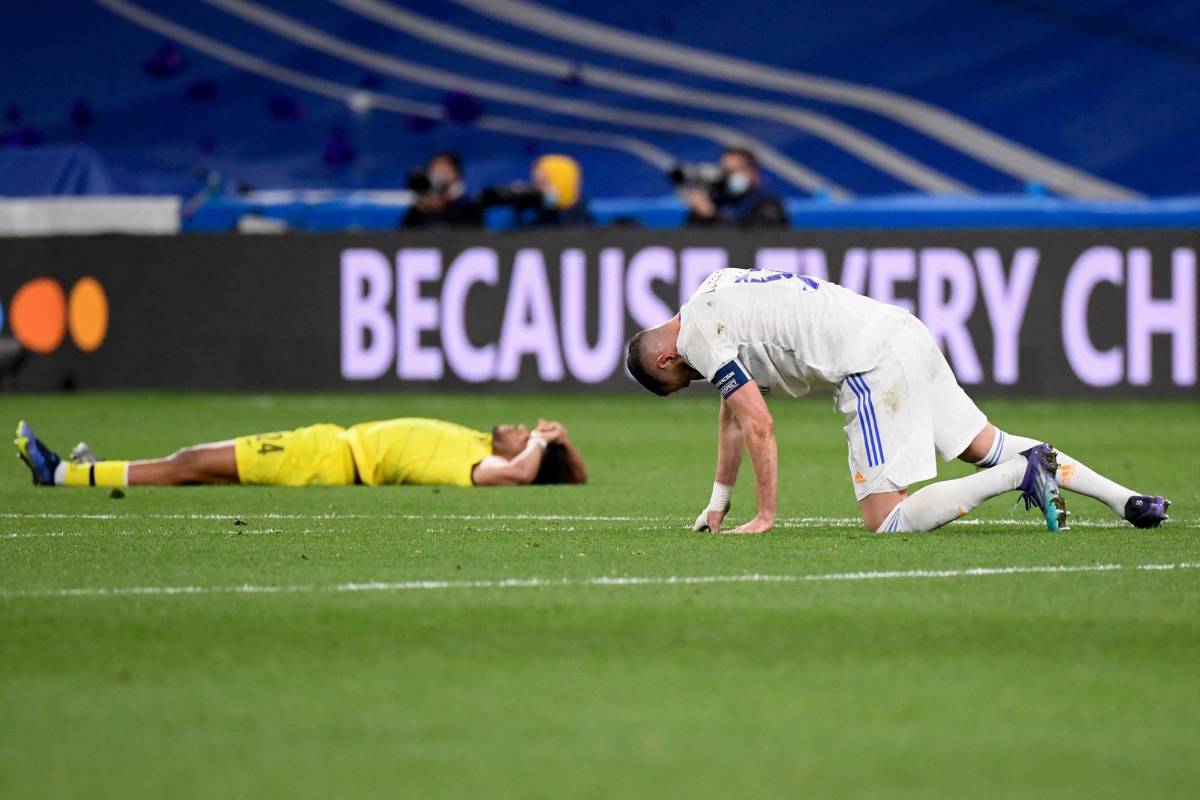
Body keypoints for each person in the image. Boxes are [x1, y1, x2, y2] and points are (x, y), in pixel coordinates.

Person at [625, 267, 1169, 534]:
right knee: (987, 445)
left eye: (685, 380)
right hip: (901, 330)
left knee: (885, 520)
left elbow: (758, 422)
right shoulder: (713, 289)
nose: (697, 380)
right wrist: (720, 502)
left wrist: (765, 515)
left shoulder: (697, 336)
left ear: (669, 359)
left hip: (870, 364)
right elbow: (733, 416)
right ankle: (1128, 501)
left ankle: (1021, 475)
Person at [15, 417, 586, 489]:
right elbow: (573, 479)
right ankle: (89, 471)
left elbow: (509, 476)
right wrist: (557, 445)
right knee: (198, 472)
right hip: (328, 448)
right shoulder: (471, 443)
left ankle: (60, 473)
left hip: (322, 458)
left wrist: (540, 444)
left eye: (522, 432)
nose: (514, 427)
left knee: (191, 459)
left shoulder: (475, 464)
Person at [683, 147, 787, 229]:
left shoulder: (767, 204)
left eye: (734, 171)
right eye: (725, 172)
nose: (729, 177)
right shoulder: (718, 200)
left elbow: (755, 243)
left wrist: (711, 217)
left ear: (753, 172)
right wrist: (699, 215)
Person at [400, 151, 482, 229]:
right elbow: (404, 235)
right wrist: (422, 210)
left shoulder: (468, 206)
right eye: (435, 169)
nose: (439, 174)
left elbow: (472, 235)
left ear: (456, 174)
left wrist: (444, 205)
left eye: (445, 169)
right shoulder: (420, 208)